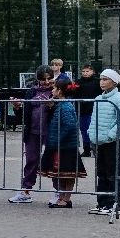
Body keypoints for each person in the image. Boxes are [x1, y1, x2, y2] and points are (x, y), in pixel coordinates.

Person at [40, 75, 85, 208]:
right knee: (61, 173)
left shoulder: (65, 106)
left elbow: (69, 126)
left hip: (66, 146)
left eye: (54, 88)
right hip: (59, 144)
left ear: (59, 91)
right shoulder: (60, 105)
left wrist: (58, 140)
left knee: (67, 173)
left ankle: (66, 198)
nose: (52, 91)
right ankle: (62, 196)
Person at [10, 67, 53, 203]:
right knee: (31, 161)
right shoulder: (31, 91)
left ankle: (59, 192)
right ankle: (25, 191)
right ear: (38, 79)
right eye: (43, 79)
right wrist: (18, 107)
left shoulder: (58, 90)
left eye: (49, 78)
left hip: (52, 131)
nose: (46, 82)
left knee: (55, 162)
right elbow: (24, 114)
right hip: (33, 132)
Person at [91, 67, 120, 214]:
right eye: (101, 79)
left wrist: (110, 135)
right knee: (101, 173)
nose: (102, 82)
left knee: (113, 173)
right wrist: (91, 134)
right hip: (99, 142)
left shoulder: (119, 99)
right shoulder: (98, 98)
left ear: (114, 82)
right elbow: (94, 119)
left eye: (105, 79)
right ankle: (102, 203)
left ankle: (113, 204)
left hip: (113, 142)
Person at [74, 61, 101, 156]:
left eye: (87, 71)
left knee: (93, 130)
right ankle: (86, 150)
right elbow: (74, 94)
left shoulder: (98, 82)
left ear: (92, 72)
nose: (85, 73)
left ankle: (96, 150)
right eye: (83, 71)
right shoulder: (77, 82)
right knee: (83, 130)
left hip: (93, 110)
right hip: (81, 110)